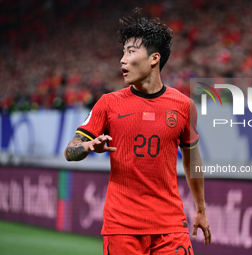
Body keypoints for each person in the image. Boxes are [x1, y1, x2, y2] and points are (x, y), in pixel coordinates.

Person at [64, 8, 211, 255]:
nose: (122, 59)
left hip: (171, 225)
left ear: (154, 58)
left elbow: (192, 158)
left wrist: (201, 209)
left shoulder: (184, 106)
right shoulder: (108, 103)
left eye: (131, 52)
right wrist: (87, 147)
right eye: (123, 52)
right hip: (122, 227)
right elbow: (70, 150)